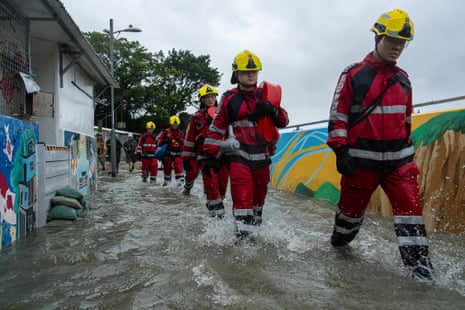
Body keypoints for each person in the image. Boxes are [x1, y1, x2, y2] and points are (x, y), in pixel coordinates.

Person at [326, 9, 433, 280]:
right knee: (348, 221)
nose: (397, 48)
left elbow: (405, 119)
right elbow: (338, 115)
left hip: (399, 162)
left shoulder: (404, 79)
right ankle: (339, 251)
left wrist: (408, 157)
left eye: (402, 44)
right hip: (360, 163)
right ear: (377, 37)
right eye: (392, 41)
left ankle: (422, 276)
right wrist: (340, 150)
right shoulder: (353, 74)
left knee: (411, 216)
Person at [203, 50, 289, 240]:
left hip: (262, 160)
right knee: (242, 205)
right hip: (239, 158)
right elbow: (216, 128)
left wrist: (273, 110)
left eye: (255, 71)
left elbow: (284, 121)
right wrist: (209, 156)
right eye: (246, 71)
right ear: (236, 74)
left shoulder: (266, 96)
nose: (251, 74)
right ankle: (242, 251)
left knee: (257, 207)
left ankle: (253, 246)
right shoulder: (229, 98)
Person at [181, 84, 228, 217]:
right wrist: (186, 159)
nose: (210, 99)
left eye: (212, 96)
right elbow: (189, 140)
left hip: (223, 158)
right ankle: (216, 218)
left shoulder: (223, 116)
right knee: (212, 188)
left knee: (222, 188)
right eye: (207, 97)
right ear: (202, 100)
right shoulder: (196, 118)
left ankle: (216, 208)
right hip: (205, 158)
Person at [158, 115, 185, 186]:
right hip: (168, 153)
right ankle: (167, 182)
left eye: (176, 124)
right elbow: (158, 141)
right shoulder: (166, 132)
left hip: (178, 153)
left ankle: (180, 183)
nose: (175, 125)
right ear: (170, 124)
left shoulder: (181, 133)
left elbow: (184, 143)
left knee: (178, 164)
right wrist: (165, 141)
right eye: (173, 124)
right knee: (167, 168)